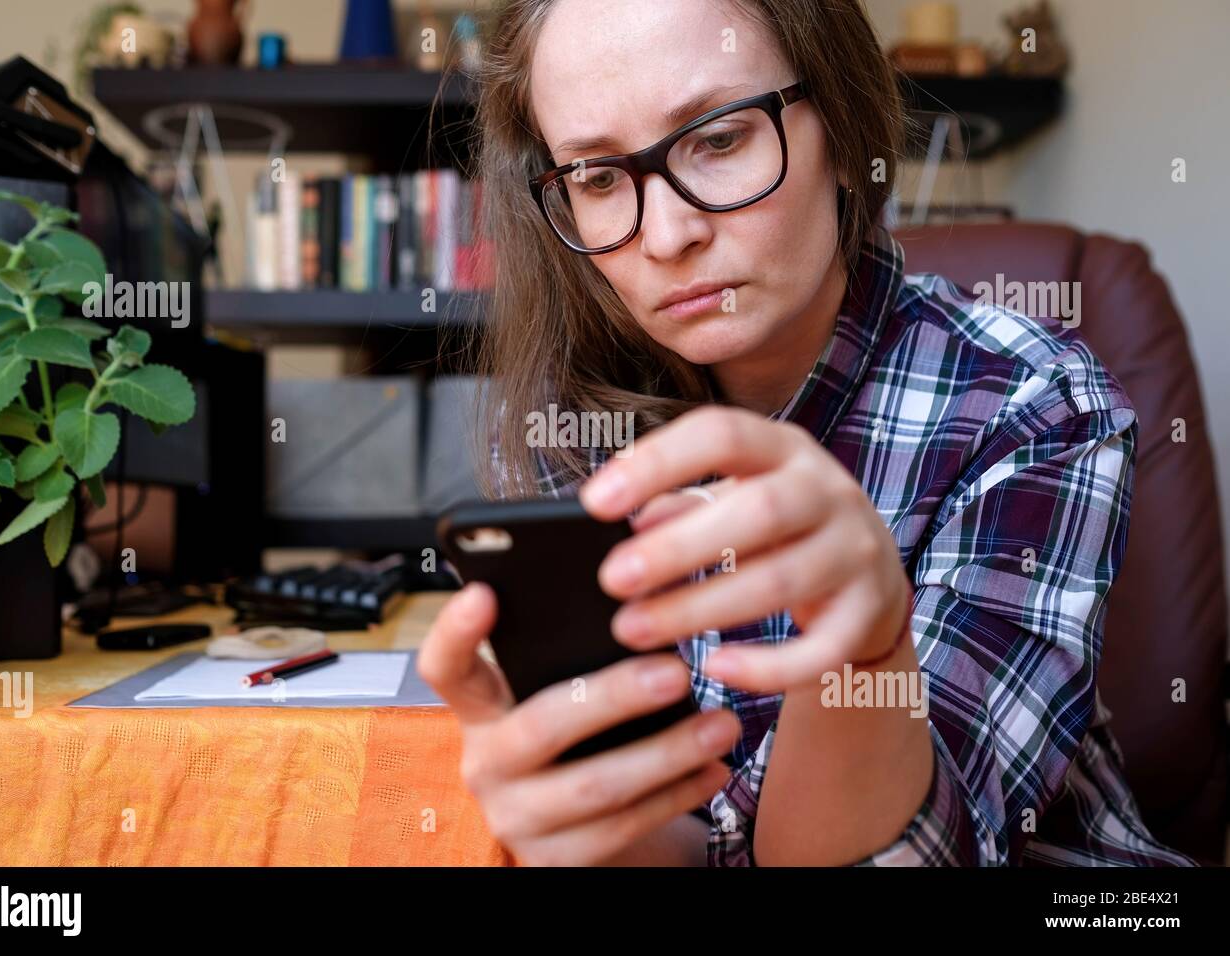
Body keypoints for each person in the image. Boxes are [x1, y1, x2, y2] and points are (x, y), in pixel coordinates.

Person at [417, 0, 1193, 867]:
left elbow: (933, 856)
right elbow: (675, 838)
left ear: (842, 123)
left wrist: (865, 653)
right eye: (598, 178)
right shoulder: (571, 425)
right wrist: (583, 827)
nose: (669, 235)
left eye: (718, 139)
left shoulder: (1036, 405)